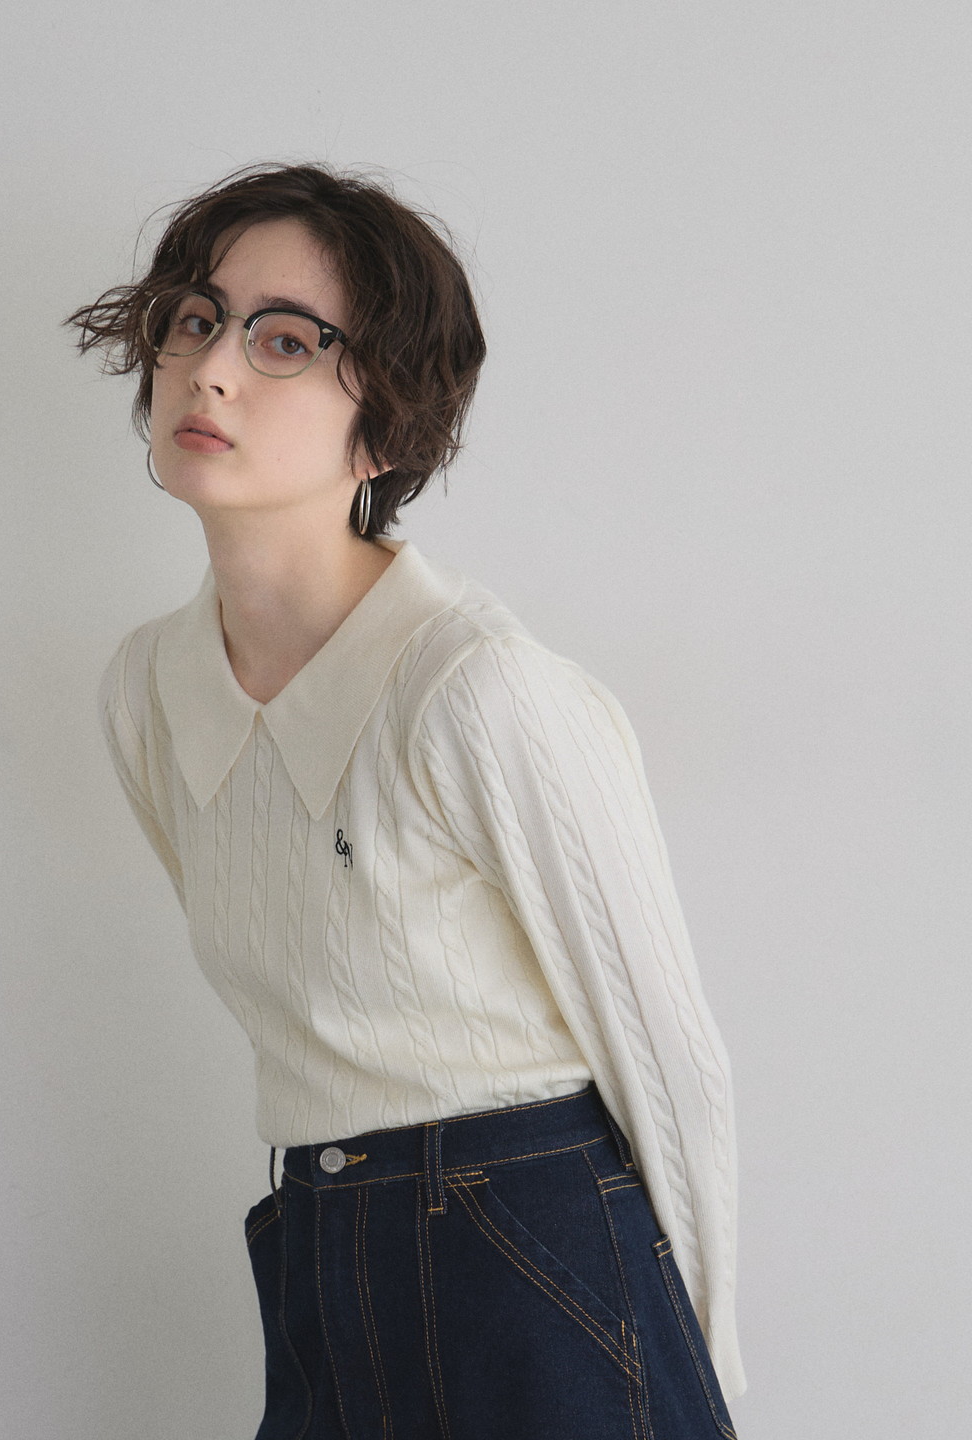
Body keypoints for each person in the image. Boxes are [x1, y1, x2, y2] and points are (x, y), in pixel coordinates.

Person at [64, 160, 745, 1439]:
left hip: (535, 1239)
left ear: (387, 428)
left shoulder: (478, 692)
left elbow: (669, 1061)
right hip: (319, 1235)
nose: (211, 371)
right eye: (196, 320)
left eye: (286, 341)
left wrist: (689, 1364)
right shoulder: (149, 689)